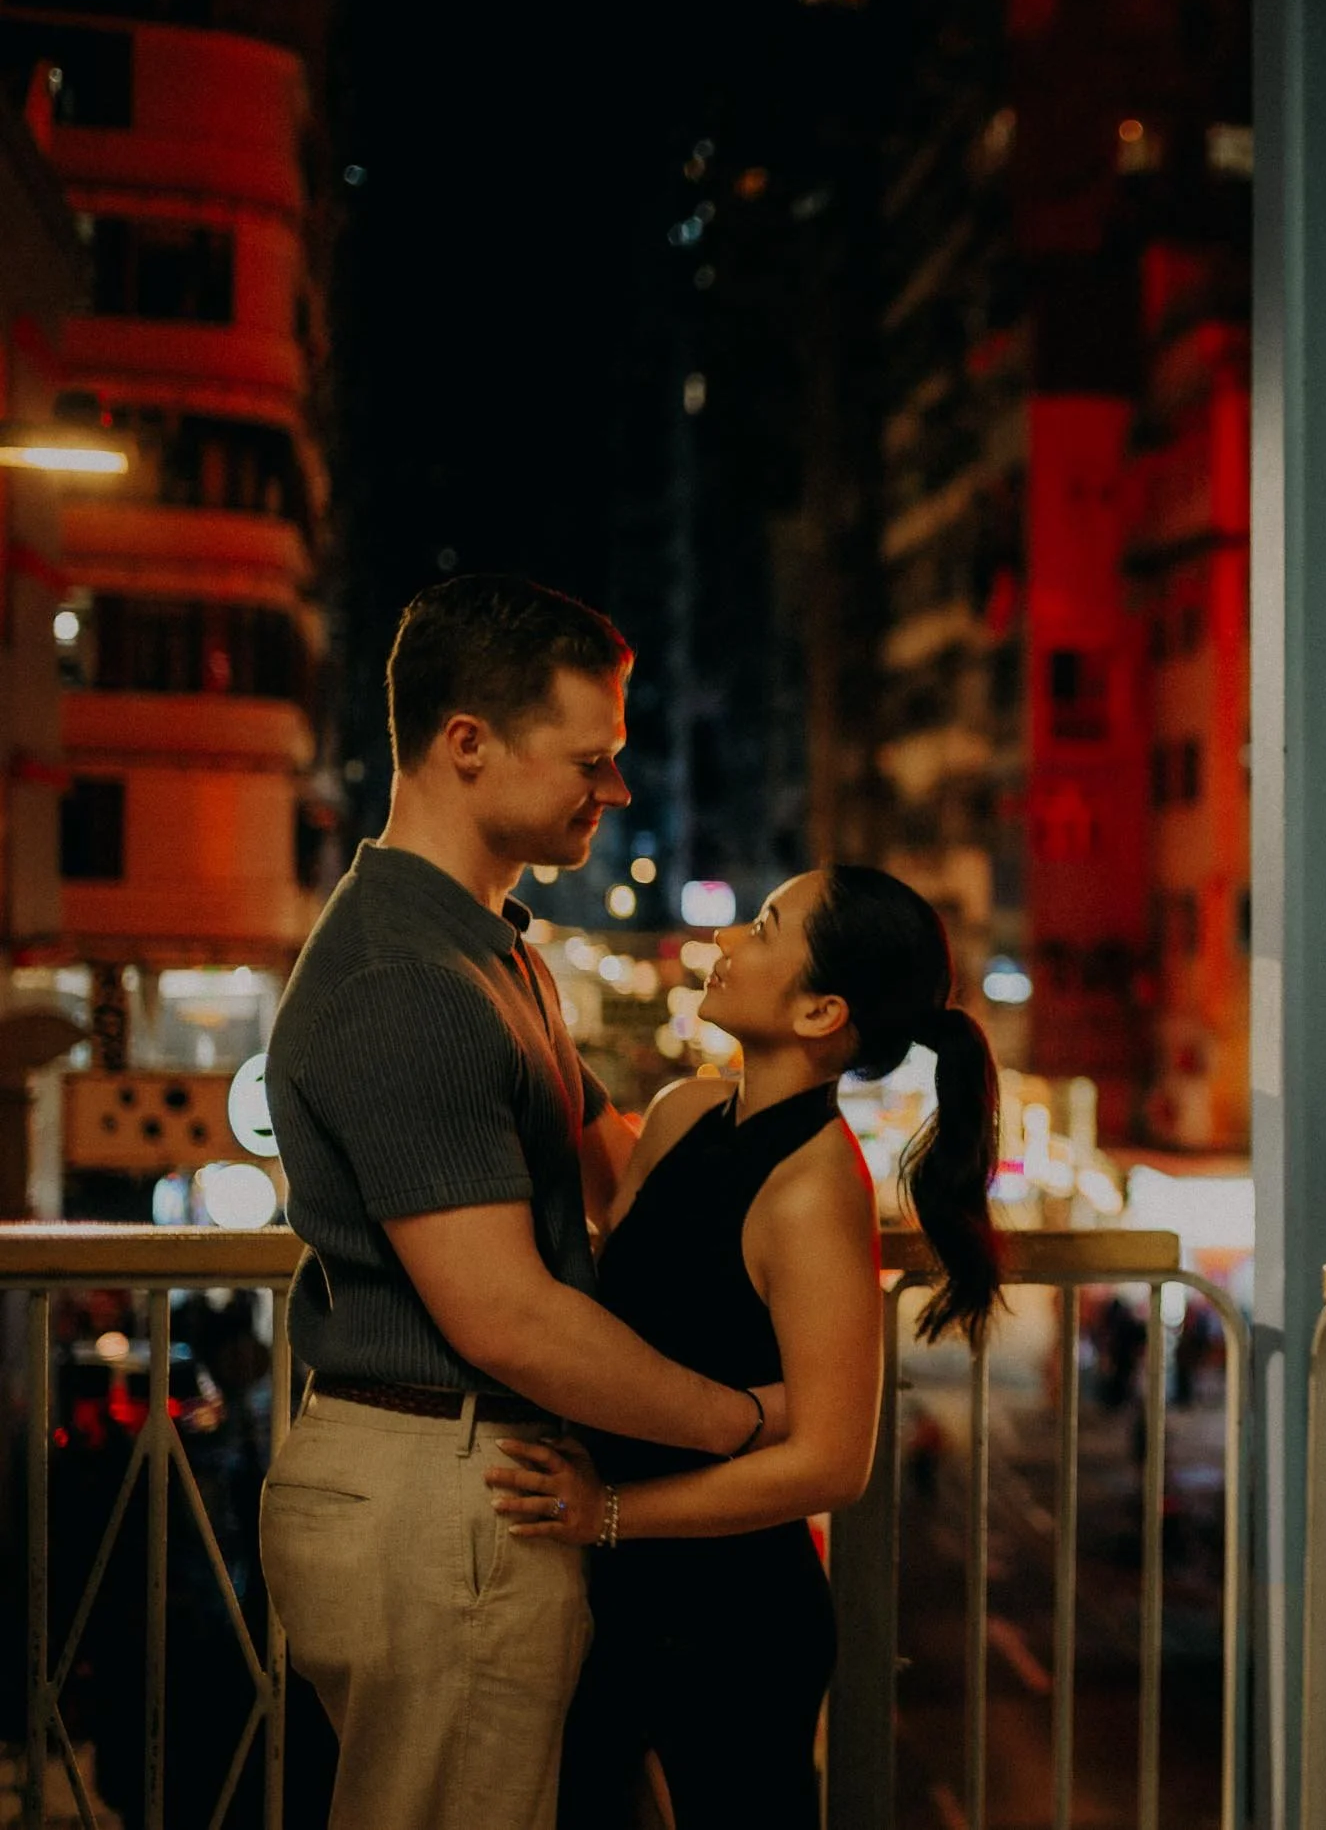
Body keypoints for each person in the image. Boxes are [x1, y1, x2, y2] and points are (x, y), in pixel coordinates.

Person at [260, 575, 784, 1830]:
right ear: (466, 744)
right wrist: (739, 1424)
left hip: (476, 1488)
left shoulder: (488, 950)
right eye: (589, 760)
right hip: (443, 1498)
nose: (614, 791)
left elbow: (611, 1156)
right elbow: (505, 1316)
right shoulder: (408, 981)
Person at [483, 864, 1002, 1825]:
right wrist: (522, 992)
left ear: (820, 1011)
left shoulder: (816, 1188)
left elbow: (833, 1463)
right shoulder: (685, 1111)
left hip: (733, 1617)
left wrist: (608, 1513)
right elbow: (620, 1214)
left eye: (763, 928)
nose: (726, 941)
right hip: (613, 1594)